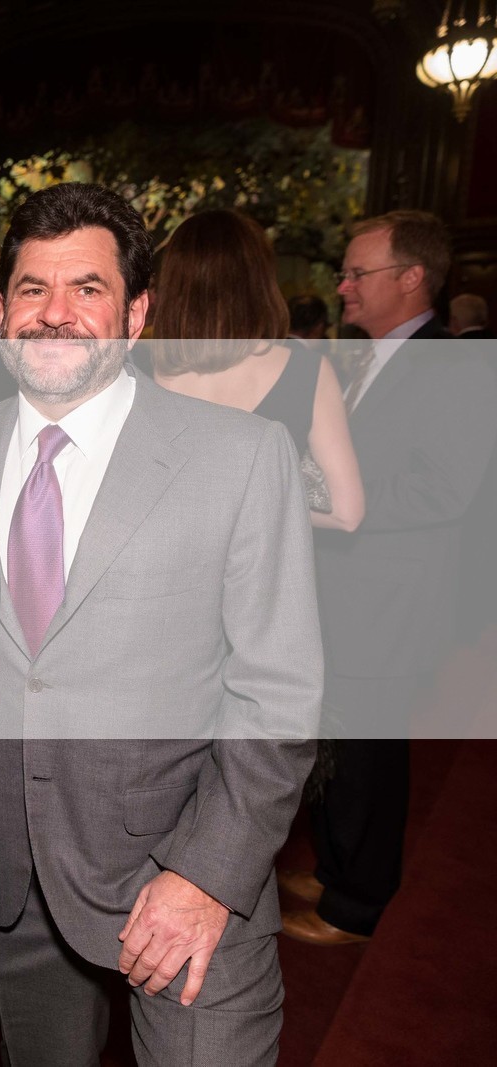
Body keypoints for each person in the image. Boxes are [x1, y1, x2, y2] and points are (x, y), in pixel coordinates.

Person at [0, 182, 322, 1066]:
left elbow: (279, 694)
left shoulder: (242, 455)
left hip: (186, 875)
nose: (55, 313)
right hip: (4, 884)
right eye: (32, 289)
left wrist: (204, 875)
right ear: (0, 311)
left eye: (88, 289)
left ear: (139, 312)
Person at [283, 212, 497, 945]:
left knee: (369, 754)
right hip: (351, 591)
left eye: (356, 273)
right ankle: (337, 862)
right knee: (336, 741)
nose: (341, 286)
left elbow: (443, 489)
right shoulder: (371, 354)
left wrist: (325, 502)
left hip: (392, 597)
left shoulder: (457, 362)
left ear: (412, 278)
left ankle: (358, 902)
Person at [152, 210, 364, 531]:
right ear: (260, 282)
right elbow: (346, 513)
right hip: (256, 573)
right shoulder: (307, 371)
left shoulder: (132, 368)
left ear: (173, 283)